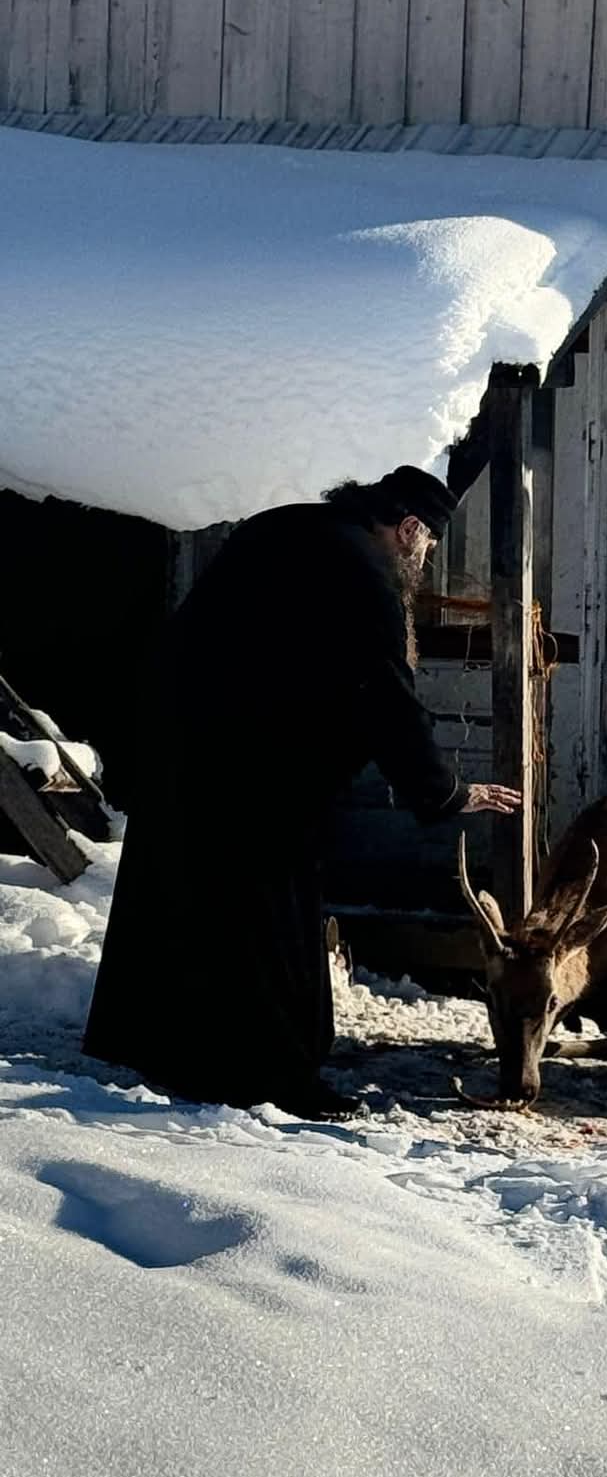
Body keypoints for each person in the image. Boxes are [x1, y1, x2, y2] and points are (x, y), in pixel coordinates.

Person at [83, 467, 520, 1117]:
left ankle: (168, 1051)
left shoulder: (282, 526)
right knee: (270, 923)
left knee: (187, 903)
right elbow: (387, 698)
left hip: (182, 749)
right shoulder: (364, 570)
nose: (423, 561)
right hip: (258, 776)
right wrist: (448, 791)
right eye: (426, 547)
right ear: (408, 528)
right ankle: (276, 1078)